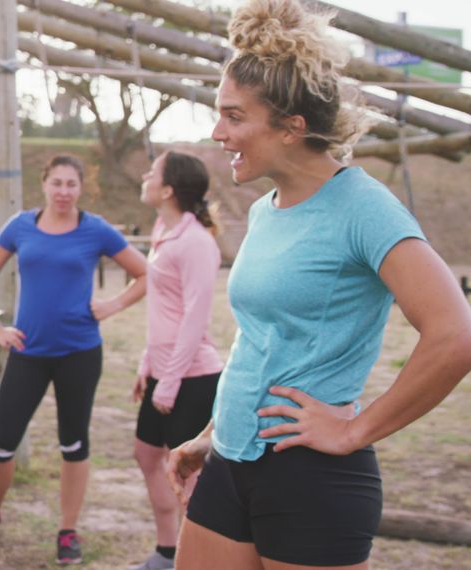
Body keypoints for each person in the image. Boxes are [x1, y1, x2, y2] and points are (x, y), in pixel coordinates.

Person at [167, 1, 471, 569]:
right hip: (229, 464)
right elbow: (261, 340)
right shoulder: (265, 210)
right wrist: (214, 432)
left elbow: (455, 335)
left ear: (291, 128)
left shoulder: (365, 209)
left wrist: (356, 429)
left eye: (234, 117)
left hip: (311, 477)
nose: (218, 132)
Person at [0, 155, 148, 565]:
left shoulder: (95, 230)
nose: (63, 192)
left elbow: (144, 274)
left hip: (79, 354)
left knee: (73, 444)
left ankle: (67, 530)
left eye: (71, 184)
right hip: (28, 353)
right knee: (0, 442)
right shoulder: (21, 225)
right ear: (44, 185)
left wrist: (112, 305)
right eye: (56, 183)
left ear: (80, 189)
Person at [127, 150, 223, 570]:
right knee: (147, 456)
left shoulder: (198, 242)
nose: (145, 176)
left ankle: (196, 560)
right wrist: (147, 365)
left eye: (154, 172)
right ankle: (168, 553)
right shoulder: (163, 231)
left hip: (193, 377)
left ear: (168, 188)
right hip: (164, 373)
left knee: (187, 475)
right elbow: (162, 310)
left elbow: (194, 317)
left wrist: (167, 382)